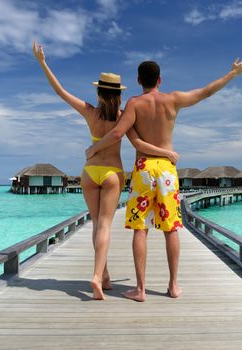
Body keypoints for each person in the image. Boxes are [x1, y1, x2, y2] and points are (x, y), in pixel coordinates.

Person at [86, 58, 242, 302]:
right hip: (167, 171)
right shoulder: (173, 100)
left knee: (140, 229)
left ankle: (140, 290)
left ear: (139, 81)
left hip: (143, 169)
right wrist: (232, 74)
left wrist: (94, 150)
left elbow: (119, 133)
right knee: (171, 229)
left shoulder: (134, 104)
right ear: (159, 80)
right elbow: (205, 92)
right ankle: (173, 285)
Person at [32, 41, 179, 300]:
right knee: (106, 226)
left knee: (95, 223)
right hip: (112, 173)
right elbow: (135, 141)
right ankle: (99, 277)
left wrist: (43, 62)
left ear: (99, 93)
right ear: (119, 95)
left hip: (90, 173)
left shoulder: (90, 112)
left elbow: (60, 91)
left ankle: (105, 275)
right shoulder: (124, 115)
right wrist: (167, 153)